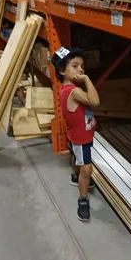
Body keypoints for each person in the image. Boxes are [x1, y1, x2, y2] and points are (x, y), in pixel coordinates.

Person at [52, 47, 100, 222]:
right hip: (82, 138)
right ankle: (83, 200)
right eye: (75, 66)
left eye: (82, 67)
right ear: (62, 70)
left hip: (75, 134)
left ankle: (75, 176)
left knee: (75, 155)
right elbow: (95, 101)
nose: (81, 69)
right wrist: (87, 79)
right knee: (86, 168)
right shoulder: (74, 91)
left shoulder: (67, 88)